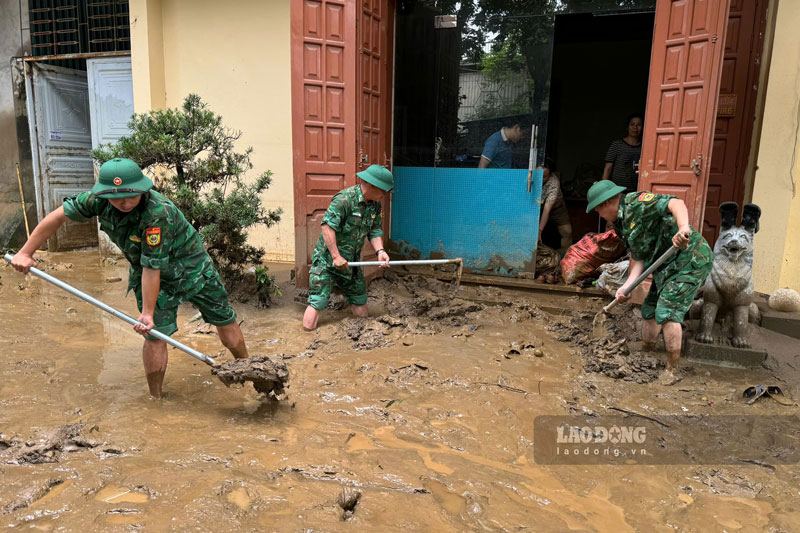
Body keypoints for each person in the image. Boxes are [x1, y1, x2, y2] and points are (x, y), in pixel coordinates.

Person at [10, 158, 249, 398]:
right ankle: (156, 399)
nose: (124, 203)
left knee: (223, 318)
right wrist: (25, 252)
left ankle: (250, 372)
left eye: (131, 196)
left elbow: (152, 268)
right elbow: (58, 217)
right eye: (117, 198)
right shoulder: (98, 201)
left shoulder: (157, 213)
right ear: (105, 194)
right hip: (149, 273)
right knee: (154, 335)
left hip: (192, 268)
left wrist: (146, 312)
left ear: (142, 189)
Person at [586, 180, 713, 384]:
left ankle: (672, 369)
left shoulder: (639, 203)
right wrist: (627, 286)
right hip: (664, 265)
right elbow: (638, 257)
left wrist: (683, 228)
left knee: (667, 310)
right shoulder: (621, 225)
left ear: (606, 203)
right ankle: (648, 353)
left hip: (689, 258)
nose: (599, 215)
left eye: (597, 210)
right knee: (650, 309)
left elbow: (676, 203)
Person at [302, 164, 393, 330]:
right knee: (318, 301)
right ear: (373, 186)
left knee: (360, 301)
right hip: (327, 261)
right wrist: (336, 257)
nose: (385, 195)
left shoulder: (374, 205)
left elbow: (374, 229)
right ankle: (306, 340)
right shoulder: (344, 199)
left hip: (351, 263)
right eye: (384, 191)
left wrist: (380, 251)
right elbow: (327, 227)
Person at [537, 158, 572, 256]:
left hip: (555, 206)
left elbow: (546, 210)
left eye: (544, 177)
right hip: (535, 205)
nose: (540, 179)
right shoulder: (529, 178)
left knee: (567, 231)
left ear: (550, 175)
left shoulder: (554, 183)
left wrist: (540, 231)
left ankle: (564, 259)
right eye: (538, 175)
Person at [601, 113, 643, 191]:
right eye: (632, 124)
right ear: (627, 127)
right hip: (617, 190)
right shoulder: (617, 145)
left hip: (636, 191)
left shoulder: (644, 148)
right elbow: (608, 168)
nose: (635, 127)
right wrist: (603, 188)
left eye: (639, 125)